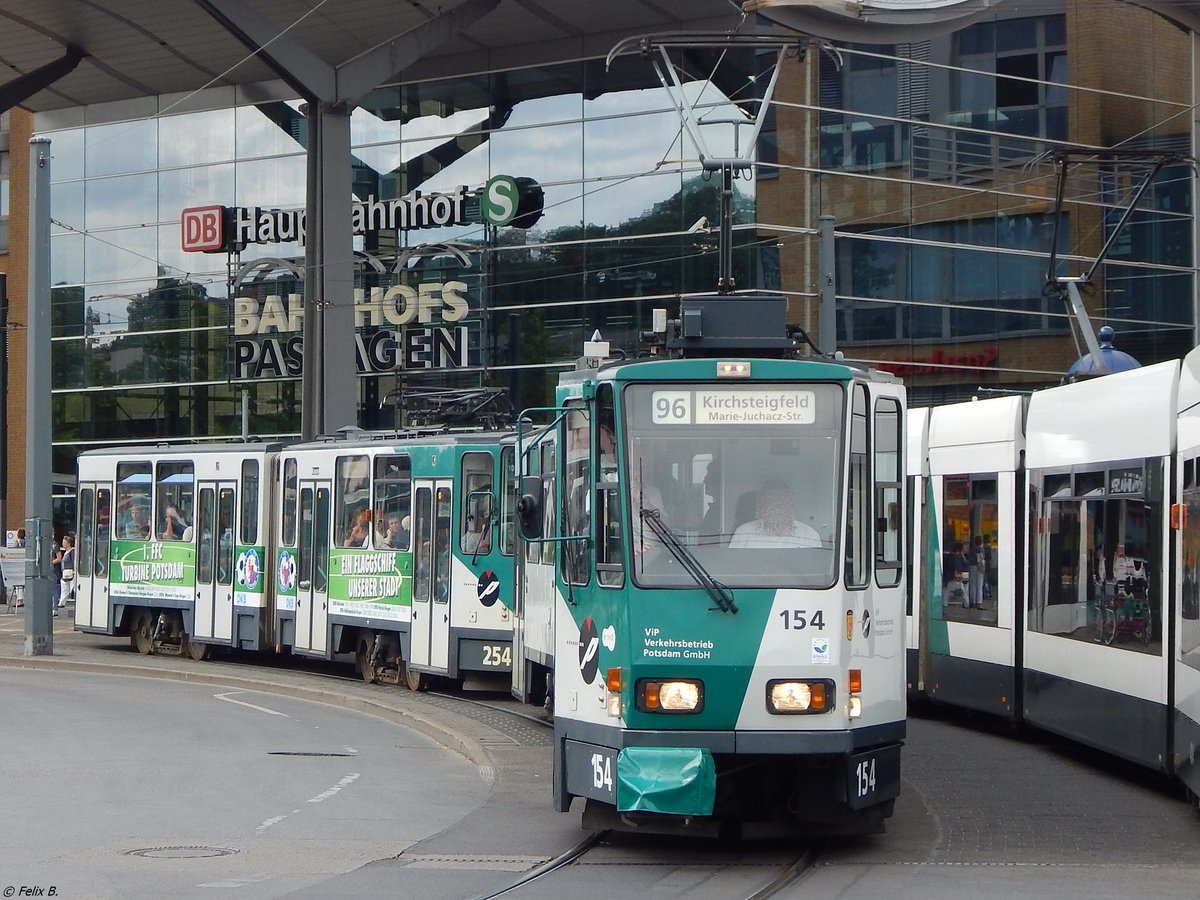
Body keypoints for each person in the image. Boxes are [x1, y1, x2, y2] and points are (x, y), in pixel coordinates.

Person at [729, 481, 820, 549]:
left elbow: (817, 569)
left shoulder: (809, 535)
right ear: (762, 506)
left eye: (782, 502)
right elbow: (733, 566)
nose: (776, 508)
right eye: (771, 503)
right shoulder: (743, 532)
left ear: (791, 506)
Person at [58, 535, 75, 610]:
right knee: (64, 588)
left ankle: (62, 602)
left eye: (64, 543)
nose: (63, 544)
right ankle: (61, 603)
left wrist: (74, 571)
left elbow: (74, 562)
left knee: (72, 587)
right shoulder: (65, 552)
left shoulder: (72, 552)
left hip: (70, 573)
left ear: (69, 544)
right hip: (65, 573)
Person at [968, 534, 986, 609]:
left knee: (972, 584)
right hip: (979, 567)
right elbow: (981, 559)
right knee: (979, 584)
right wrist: (983, 567)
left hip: (972, 566)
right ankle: (978, 602)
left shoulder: (972, 549)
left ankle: (972, 601)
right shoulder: (980, 549)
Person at [50, 532, 63, 615]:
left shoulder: (55, 545)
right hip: (48, 571)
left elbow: (59, 558)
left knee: (55, 590)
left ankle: (55, 608)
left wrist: (50, 563)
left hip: (54, 571)